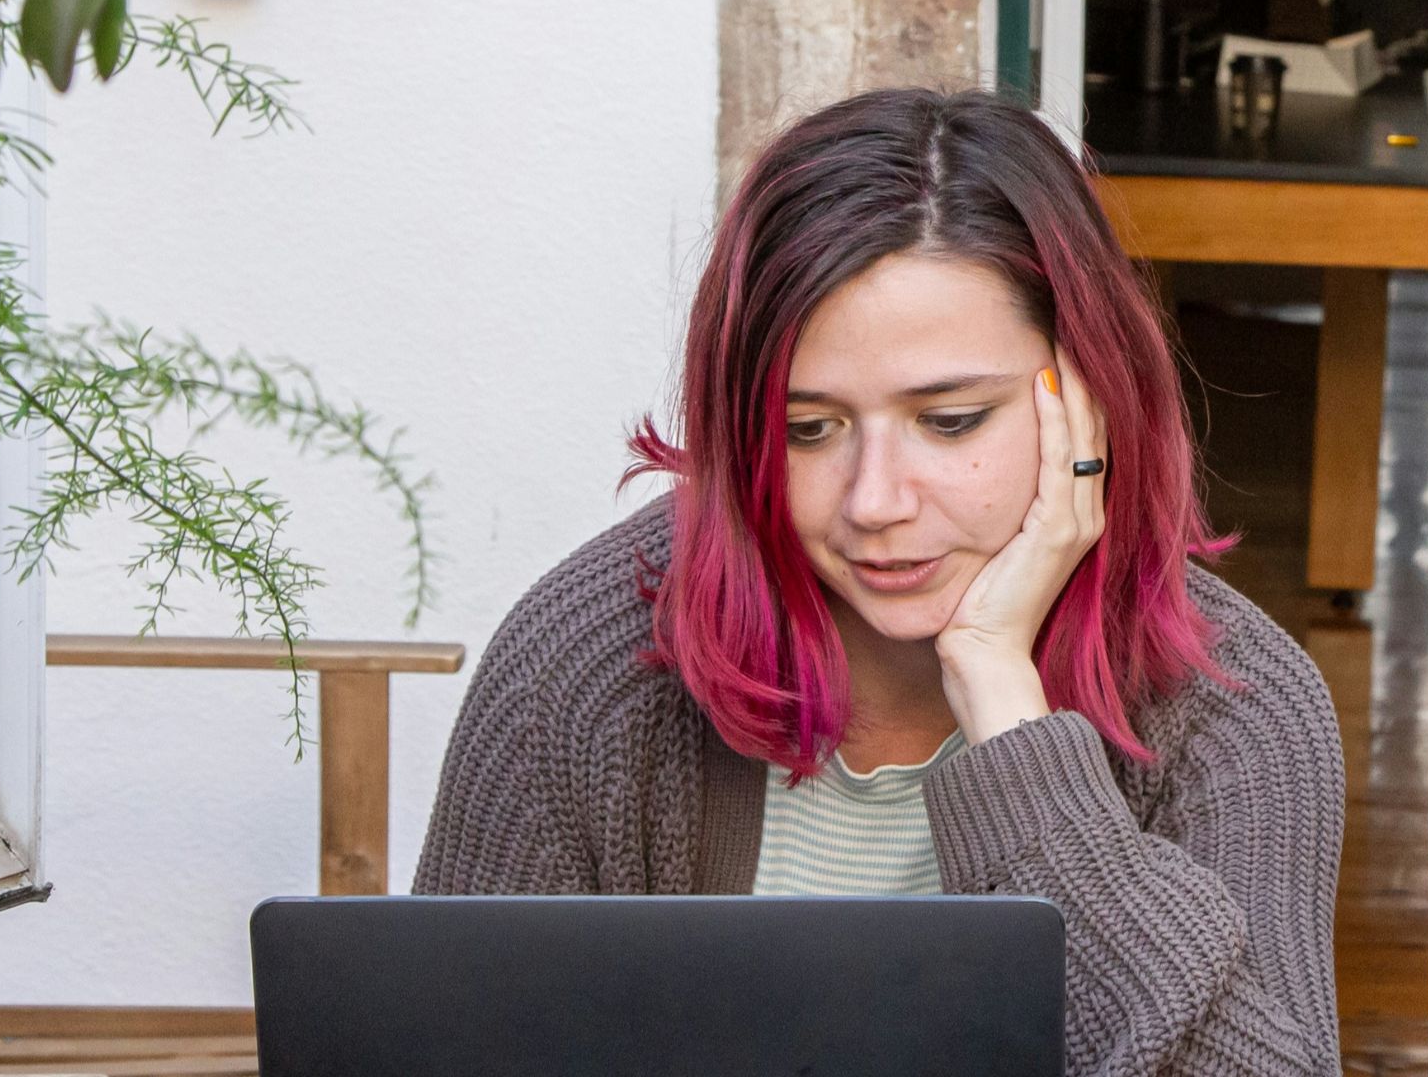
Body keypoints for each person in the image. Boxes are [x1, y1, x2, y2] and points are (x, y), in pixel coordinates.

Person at [415, 86, 1345, 1076]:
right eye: (808, 429)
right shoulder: (589, 663)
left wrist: (1011, 722)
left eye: (949, 422)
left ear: (1093, 397)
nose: (875, 501)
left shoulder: (1231, 709)